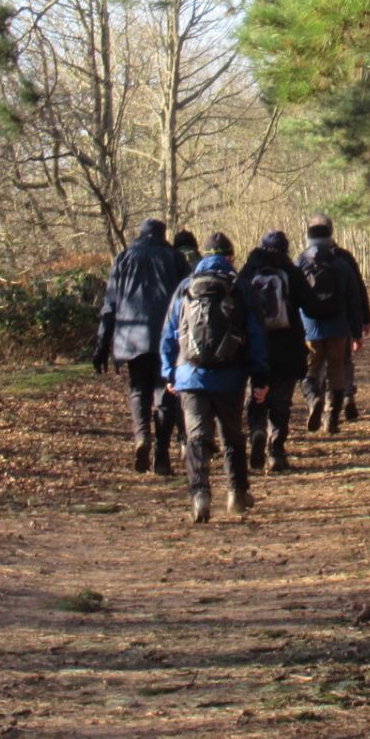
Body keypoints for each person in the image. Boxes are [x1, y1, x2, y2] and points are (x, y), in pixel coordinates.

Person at [162, 232, 270, 522]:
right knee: (232, 435)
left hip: (190, 375)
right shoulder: (241, 287)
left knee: (196, 436)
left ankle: (200, 495)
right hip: (230, 376)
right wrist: (259, 376)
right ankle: (236, 493)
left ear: (203, 257)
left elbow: (170, 333)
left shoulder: (185, 287)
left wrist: (168, 372)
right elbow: (257, 335)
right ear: (230, 258)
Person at [93, 219, 190, 475]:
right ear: (162, 234)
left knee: (138, 389)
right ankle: (161, 456)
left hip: (130, 336)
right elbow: (188, 300)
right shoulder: (174, 258)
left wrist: (102, 343)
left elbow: (110, 304)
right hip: (166, 337)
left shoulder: (123, 258)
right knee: (165, 395)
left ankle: (142, 437)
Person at [236, 230, 321, 473]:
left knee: (256, 395)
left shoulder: (248, 271)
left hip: (253, 347)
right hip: (287, 347)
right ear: (285, 249)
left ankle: (257, 431)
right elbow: (312, 306)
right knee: (281, 401)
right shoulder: (291, 272)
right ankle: (276, 450)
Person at [297, 214, 370, 435]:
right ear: (330, 235)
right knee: (336, 371)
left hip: (310, 329)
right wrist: (358, 330)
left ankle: (314, 400)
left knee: (311, 370)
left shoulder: (300, 262)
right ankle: (332, 417)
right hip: (339, 328)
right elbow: (354, 297)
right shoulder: (341, 261)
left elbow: (291, 299)